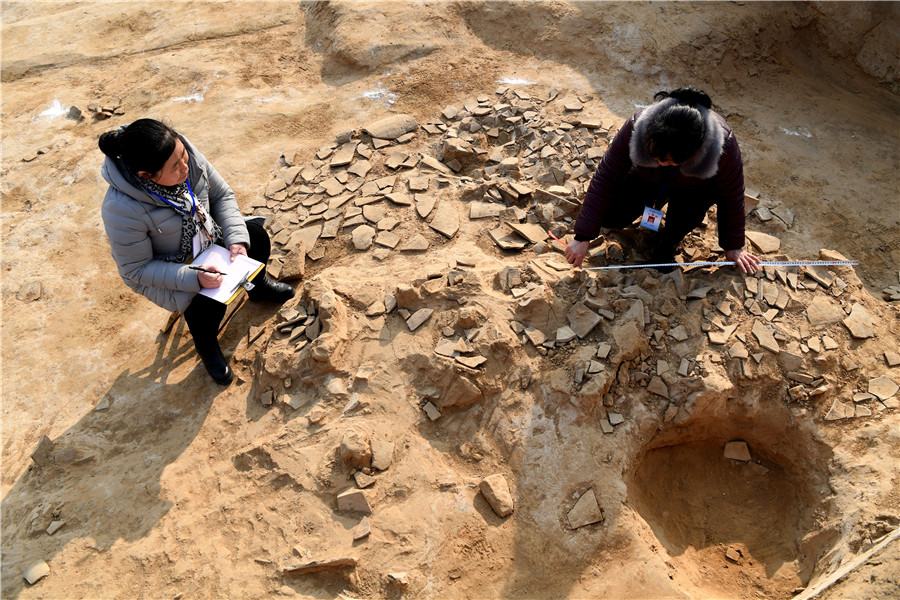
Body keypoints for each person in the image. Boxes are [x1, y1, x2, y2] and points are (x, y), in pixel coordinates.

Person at [99, 118, 295, 385]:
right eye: (175, 166)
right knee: (204, 304)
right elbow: (137, 269)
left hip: (207, 235)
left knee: (255, 238)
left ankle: (257, 287)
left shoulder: (183, 152)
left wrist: (236, 239)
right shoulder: (120, 208)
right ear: (147, 176)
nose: (185, 167)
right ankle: (207, 344)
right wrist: (195, 276)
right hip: (170, 268)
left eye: (183, 156)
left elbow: (221, 195)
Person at [565, 87, 761, 275]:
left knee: (687, 214)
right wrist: (583, 236)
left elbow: (732, 196)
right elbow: (606, 176)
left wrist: (733, 246)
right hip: (645, 178)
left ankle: (667, 241)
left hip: (692, 187)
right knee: (611, 218)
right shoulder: (636, 127)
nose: (662, 162)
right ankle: (646, 211)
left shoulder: (723, 145)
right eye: (657, 156)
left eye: (669, 160)